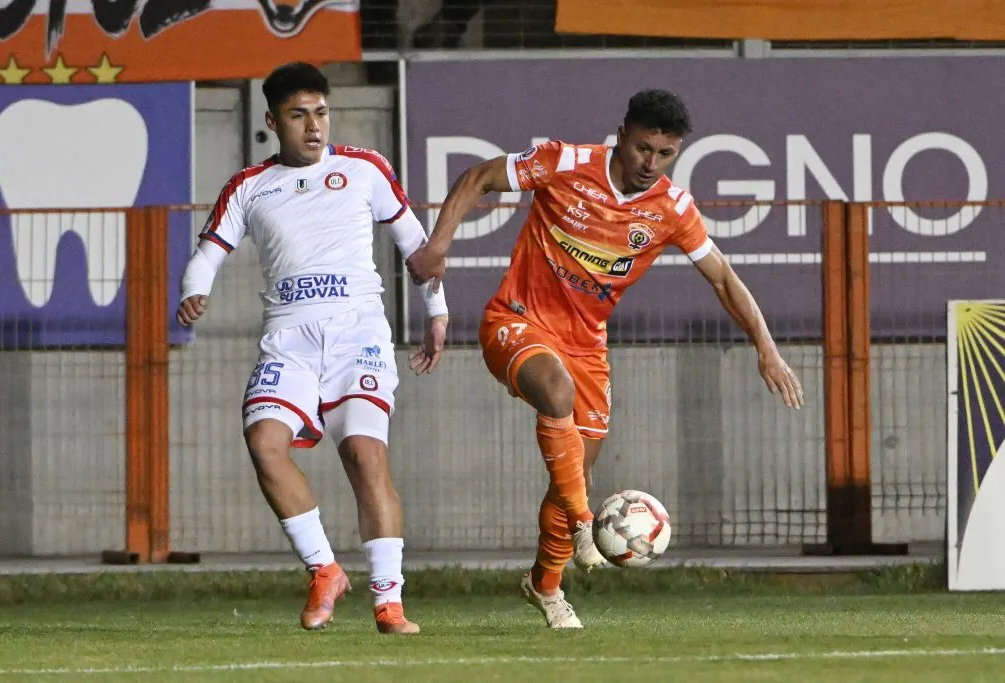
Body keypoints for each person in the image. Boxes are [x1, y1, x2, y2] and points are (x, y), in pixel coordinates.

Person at [406, 89, 803, 629]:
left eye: (665, 154)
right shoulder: (563, 162)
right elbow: (478, 177)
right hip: (515, 320)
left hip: (587, 346)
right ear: (622, 134)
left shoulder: (671, 209)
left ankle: (545, 586)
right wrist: (440, 244)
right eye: (644, 149)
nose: (651, 164)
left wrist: (767, 347)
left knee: (576, 468)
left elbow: (724, 279)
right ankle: (586, 522)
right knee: (557, 395)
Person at [176, 62, 449, 635]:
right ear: (274, 120)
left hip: (358, 338)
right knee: (263, 443)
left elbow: (415, 246)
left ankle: (389, 601)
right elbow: (208, 253)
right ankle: (325, 569)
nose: (313, 125)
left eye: (321, 112)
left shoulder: (365, 169)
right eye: (299, 115)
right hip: (289, 341)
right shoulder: (249, 186)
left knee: (364, 454)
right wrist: (195, 290)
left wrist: (436, 312)